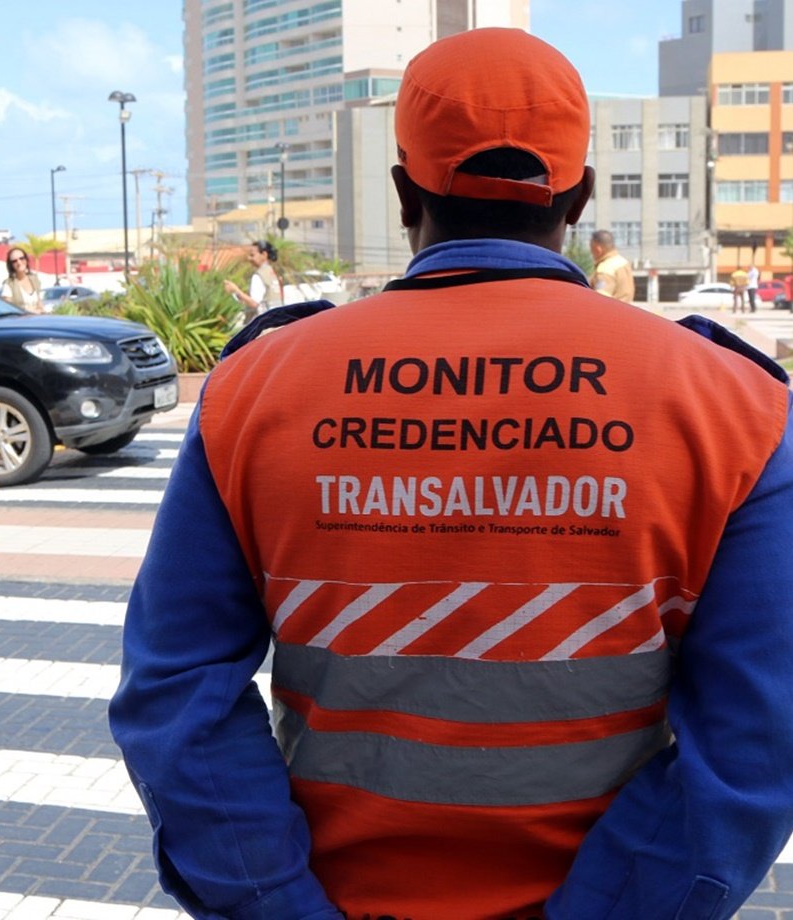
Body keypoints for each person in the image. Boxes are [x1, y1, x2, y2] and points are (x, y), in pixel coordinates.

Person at [110, 26, 793, 920]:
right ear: (580, 197)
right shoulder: (735, 407)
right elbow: (755, 745)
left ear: (403, 194)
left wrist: (276, 906)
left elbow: (175, 697)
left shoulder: (258, 389)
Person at [224, 239, 283, 322]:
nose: (249, 258)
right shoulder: (271, 272)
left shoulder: (259, 275)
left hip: (265, 324)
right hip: (276, 320)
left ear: (264, 255)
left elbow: (254, 303)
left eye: (252, 255)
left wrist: (235, 290)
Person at [588, 229, 634, 302]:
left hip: (612, 312)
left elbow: (601, 299)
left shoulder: (605, 268)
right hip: (626, 310)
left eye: (591, 249)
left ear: (598, 249)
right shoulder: (623, 262)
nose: (591, 253)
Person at [0, 246, 42, 313]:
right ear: (11, 265)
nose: (19, 262)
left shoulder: (34, 280)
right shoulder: (9, 284)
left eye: (21, 258)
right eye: (14, 261)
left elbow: (40, 305)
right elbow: (8, 311)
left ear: (26, 260)